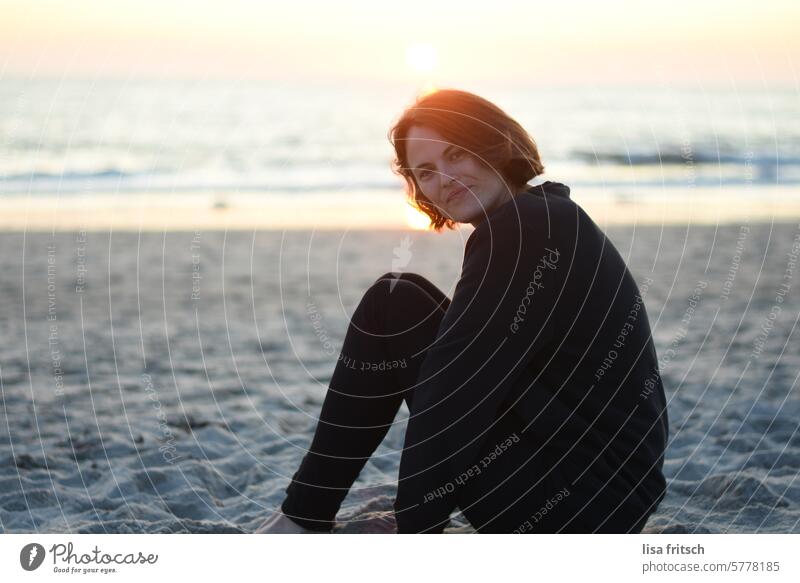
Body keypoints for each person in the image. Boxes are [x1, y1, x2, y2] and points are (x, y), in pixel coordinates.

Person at [255, 88, 668, 534]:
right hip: (605, 491)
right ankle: (306, 513)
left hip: (577, 505)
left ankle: (302, 517)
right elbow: (466, 372)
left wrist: (417, 528)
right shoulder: (546, 214)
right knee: (402, 299)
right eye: (426, 173)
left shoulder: (523, 228)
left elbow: (453, 392)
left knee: (391, 305)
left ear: (496, 144)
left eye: (456, 154)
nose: (445, 179)